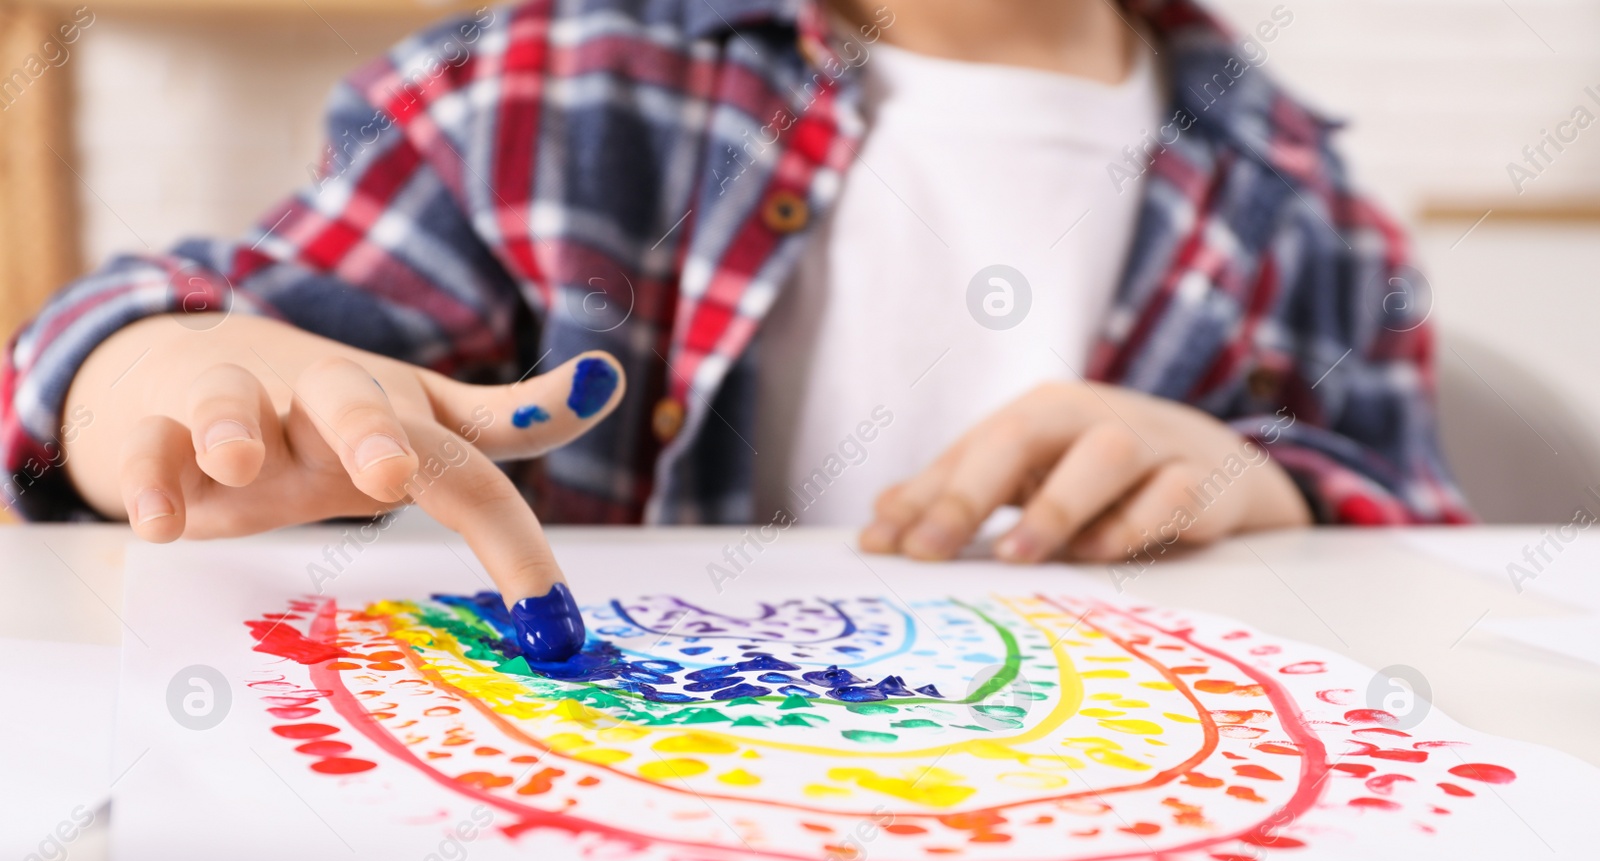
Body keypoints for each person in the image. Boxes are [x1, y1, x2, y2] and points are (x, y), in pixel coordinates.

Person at [0, 0, 1469, 657]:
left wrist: (1272, 490)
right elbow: (168, 342)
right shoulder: (536, 93)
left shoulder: (1315, 210)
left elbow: (1425, 560)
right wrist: (148, 373)